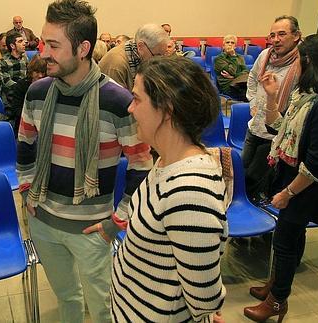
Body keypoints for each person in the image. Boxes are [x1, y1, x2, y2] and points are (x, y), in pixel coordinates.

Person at [17, 1, 153, 322]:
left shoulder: (118, 101)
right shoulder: (37, 93)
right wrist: (26, 192)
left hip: (92, 230)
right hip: (44, 223)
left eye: (53, 45)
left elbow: (141, 166)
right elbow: (25, 147)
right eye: (42, 42)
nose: (42, 52)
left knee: (104, 308)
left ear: (83, 48)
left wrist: (116, 222)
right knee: (67, 299)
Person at [111, 56, 228, 323]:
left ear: (167, 109)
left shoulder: (190, 189)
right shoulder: (167, 160)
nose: (130, 108)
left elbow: (204, 296)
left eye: (137, 99)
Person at [244, 34, 318, 322]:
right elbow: (281, 129)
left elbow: (317, 165)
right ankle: (276, 286)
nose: (295, 64)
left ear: (309, 61)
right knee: (289, 238)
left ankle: (278, 302)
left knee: (287, 242)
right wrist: (273, 97)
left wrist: (288, 192)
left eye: (299, 58)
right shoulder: (308, 97)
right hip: (294, 179)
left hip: (305, 188)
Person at [243, 15, 301, 202]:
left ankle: (258, 225)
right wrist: (252, 102)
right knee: (243, 174)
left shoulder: (302, 64)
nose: (276, 40)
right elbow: (252, 79)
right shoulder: (265, 55)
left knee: (257, 181)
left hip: (277, 135)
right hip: (255, 126)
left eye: (282, 34)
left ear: (296, 36)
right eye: (272, 35)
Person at [99, 23, 170, 90]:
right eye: (157, 55)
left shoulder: (136, 55)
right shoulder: (116, 63)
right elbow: (115, 100)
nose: (159, 60)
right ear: (140, 46)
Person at [6, 54, 46, 136]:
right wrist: (32, 118)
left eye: (43, 72)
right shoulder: (21, 85)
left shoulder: (49, 85)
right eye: (37, 72)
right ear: (31, 72)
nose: (40, 76)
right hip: (24, 123)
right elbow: (16, 109)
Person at [214, 34, 249, 101]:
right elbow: (231, 71)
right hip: (229, 86)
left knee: (256, 91)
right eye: (227, 42)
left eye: (232, 43)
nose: (230, 44)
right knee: (249, 95)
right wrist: (233, 56)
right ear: (223, 46)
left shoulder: (240, 57)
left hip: (242, 83)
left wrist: (233, 76)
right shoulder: (219, 59)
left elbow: (246, 71)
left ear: (235, 46)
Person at [0, 30, 28, 100]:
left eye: (23, 41)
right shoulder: (3, 62)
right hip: (11, 96)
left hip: (25, 93)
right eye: (20, 41)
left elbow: (28, 75)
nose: (24, 43)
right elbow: (7, 82)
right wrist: (22, 88)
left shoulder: (25, 58)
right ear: (12, 46)